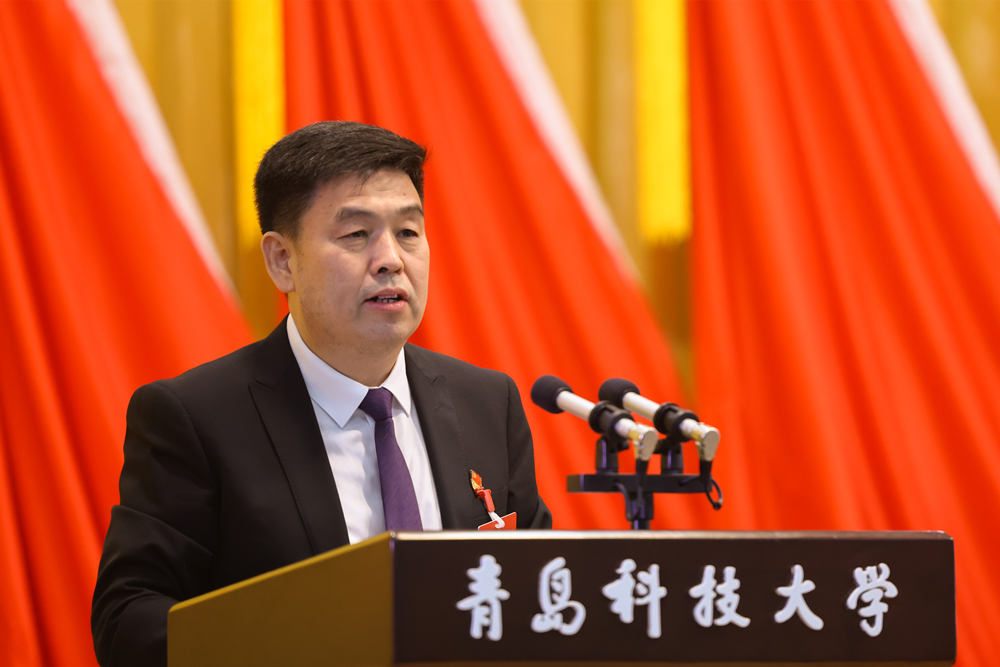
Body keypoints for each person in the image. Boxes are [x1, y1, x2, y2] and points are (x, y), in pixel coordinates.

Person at [91, 121, 551, 667]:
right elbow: (130, 620)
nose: (391, 259)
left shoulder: (488, 402)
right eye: (356, 235)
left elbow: (539, 589)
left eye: (408, 232)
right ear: (282, 260)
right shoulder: (196, 418)